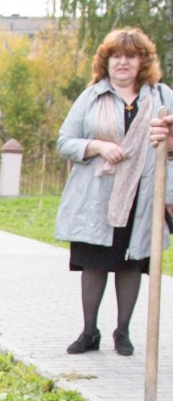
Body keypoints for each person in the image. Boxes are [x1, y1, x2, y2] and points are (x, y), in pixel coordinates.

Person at [55, 27, 173, 357]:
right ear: (106, 62)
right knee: (93, 263)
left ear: (143, 62)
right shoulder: (92, 96)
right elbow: (65, 141)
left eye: (131, 56)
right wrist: (97, 146)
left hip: (142, 195)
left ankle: (123, 332)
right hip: (95, 198)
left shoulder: (161, 98)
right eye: (116, 56)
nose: (123, 62)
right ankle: (89, 331)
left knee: (131, 263)